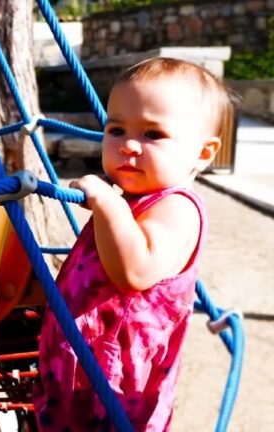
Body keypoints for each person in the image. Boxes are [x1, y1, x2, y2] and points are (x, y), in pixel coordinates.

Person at [33, 57, 235, 431]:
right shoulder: (129, 198)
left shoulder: (177, 208)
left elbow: (135, 271)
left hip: (117, 396)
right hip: (76, 377)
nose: (128, 146)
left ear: (203, 153)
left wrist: (106, 202)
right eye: (116, 130)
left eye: (152, 134)